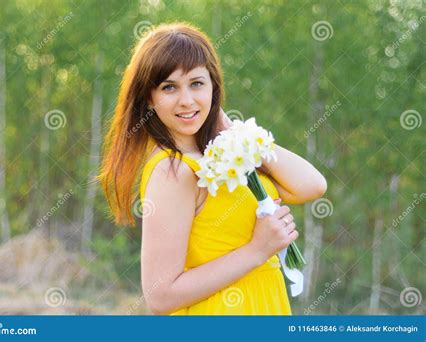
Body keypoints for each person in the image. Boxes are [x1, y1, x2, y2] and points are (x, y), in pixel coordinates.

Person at [99, 22, 327, 315]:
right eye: (169, 87)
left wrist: (237, 136)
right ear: (149, 98)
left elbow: (312, 185)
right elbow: (159, 296)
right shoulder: (173, 171)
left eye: (197, 83)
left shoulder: (224, 157)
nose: (186, 100)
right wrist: (257, 251)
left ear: (213, 87)